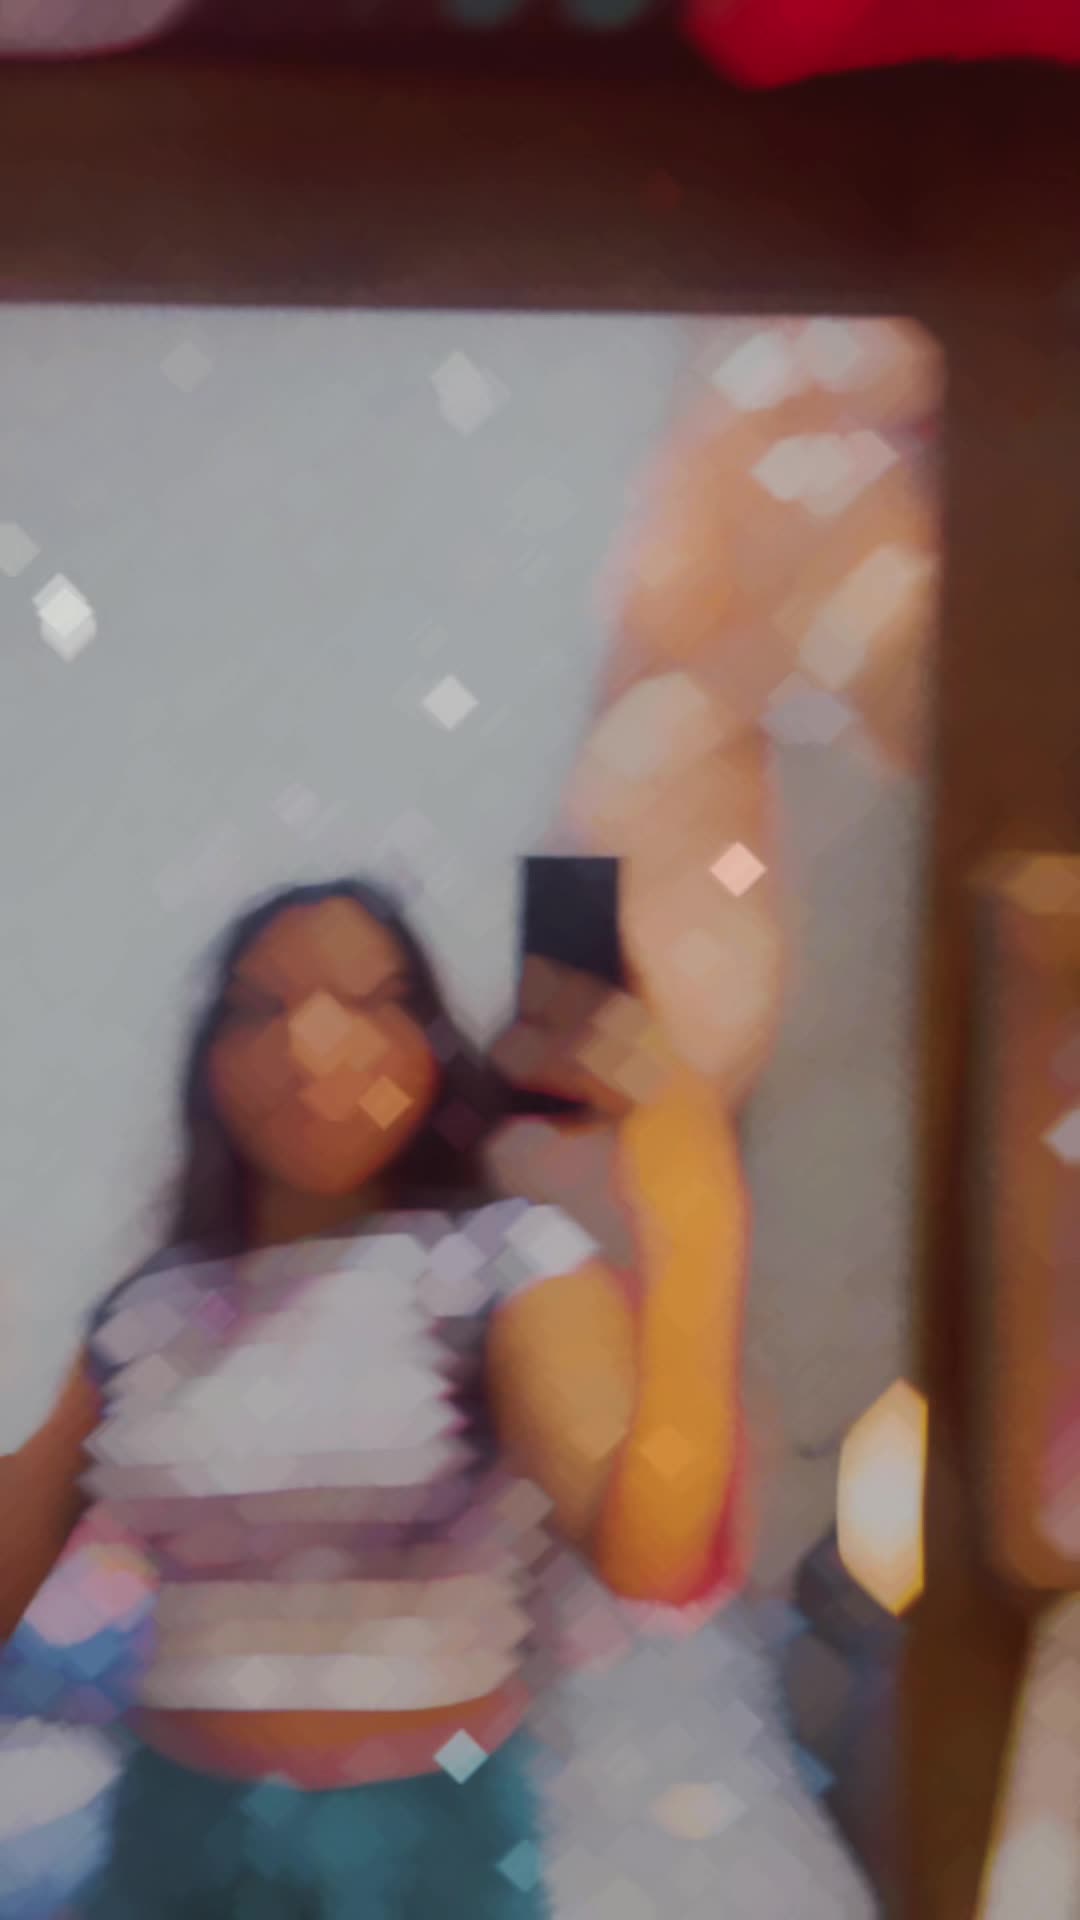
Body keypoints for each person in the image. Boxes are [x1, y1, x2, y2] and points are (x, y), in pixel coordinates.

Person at [0, 875, 746, 1919]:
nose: (312, 1046)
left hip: (421, 1846)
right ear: (211, 1060)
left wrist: (694, 1204)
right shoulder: (148, 1309)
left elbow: (651, 1556)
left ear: (430, 1046)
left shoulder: (502, 1264)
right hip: (176, 1835)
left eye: (371, 1001)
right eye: (260, 1007)